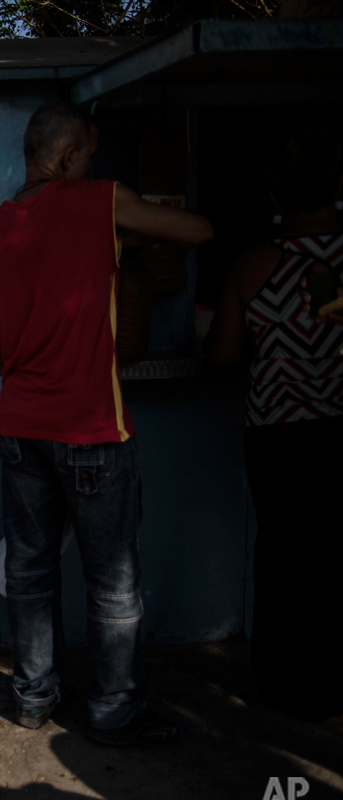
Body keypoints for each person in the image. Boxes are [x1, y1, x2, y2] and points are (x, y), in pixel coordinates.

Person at [0, 102, 214, 746]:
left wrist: (21, 369)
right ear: (70, 156)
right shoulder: (97, 201)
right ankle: (112, 708)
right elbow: (196, 232)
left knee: (31, 571)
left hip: (18, 427)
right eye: (89, 154)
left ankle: (33, 696)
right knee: (112, 580)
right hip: (92, 430)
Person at [207, 129, 343, 721]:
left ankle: (285, 682)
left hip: (280, 432)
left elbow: (224, 356)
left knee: (285, 553)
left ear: (273, 198)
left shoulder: (253, 266)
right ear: (337, 187)